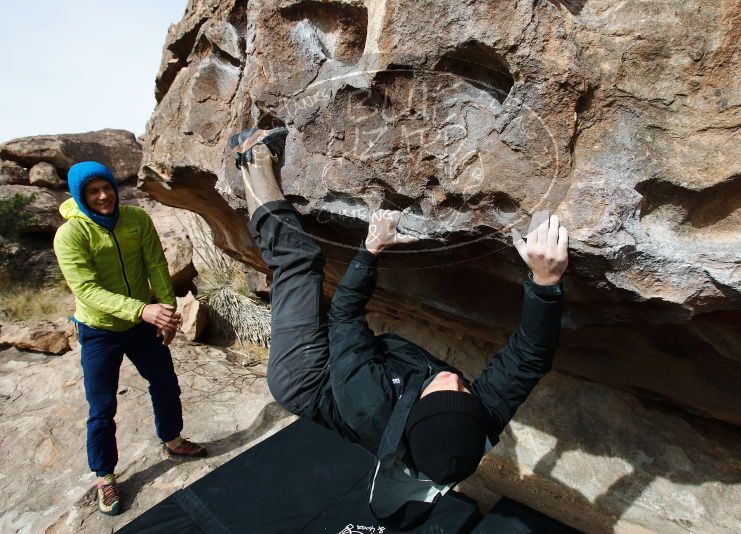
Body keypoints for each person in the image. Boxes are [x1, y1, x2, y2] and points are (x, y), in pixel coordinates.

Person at [234, 127, 567, 527]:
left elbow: (344, 315)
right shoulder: (474, 422)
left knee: (299, 261)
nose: (453, 378)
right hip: (359, 375)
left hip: (305, 377)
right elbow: (528, 360)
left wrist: (370, 249)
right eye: (466, 390)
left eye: (444, 390)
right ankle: (249, 162)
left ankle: (253, 161)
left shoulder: (368, 399)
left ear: (414, 409)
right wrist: (545, 283)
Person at [53, 161, 206, 516]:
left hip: (141, 324)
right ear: (80, 195)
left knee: (166, 384)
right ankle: (104, 474)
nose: (104, 196)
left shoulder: (136, 219)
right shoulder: (71, 234)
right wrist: (142, 310)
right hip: (99, 330)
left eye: (106, 187)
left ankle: (173, 439)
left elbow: (155, 265)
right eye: (93, 191)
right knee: (102, 406)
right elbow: (87, 289)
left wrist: (166, 312)